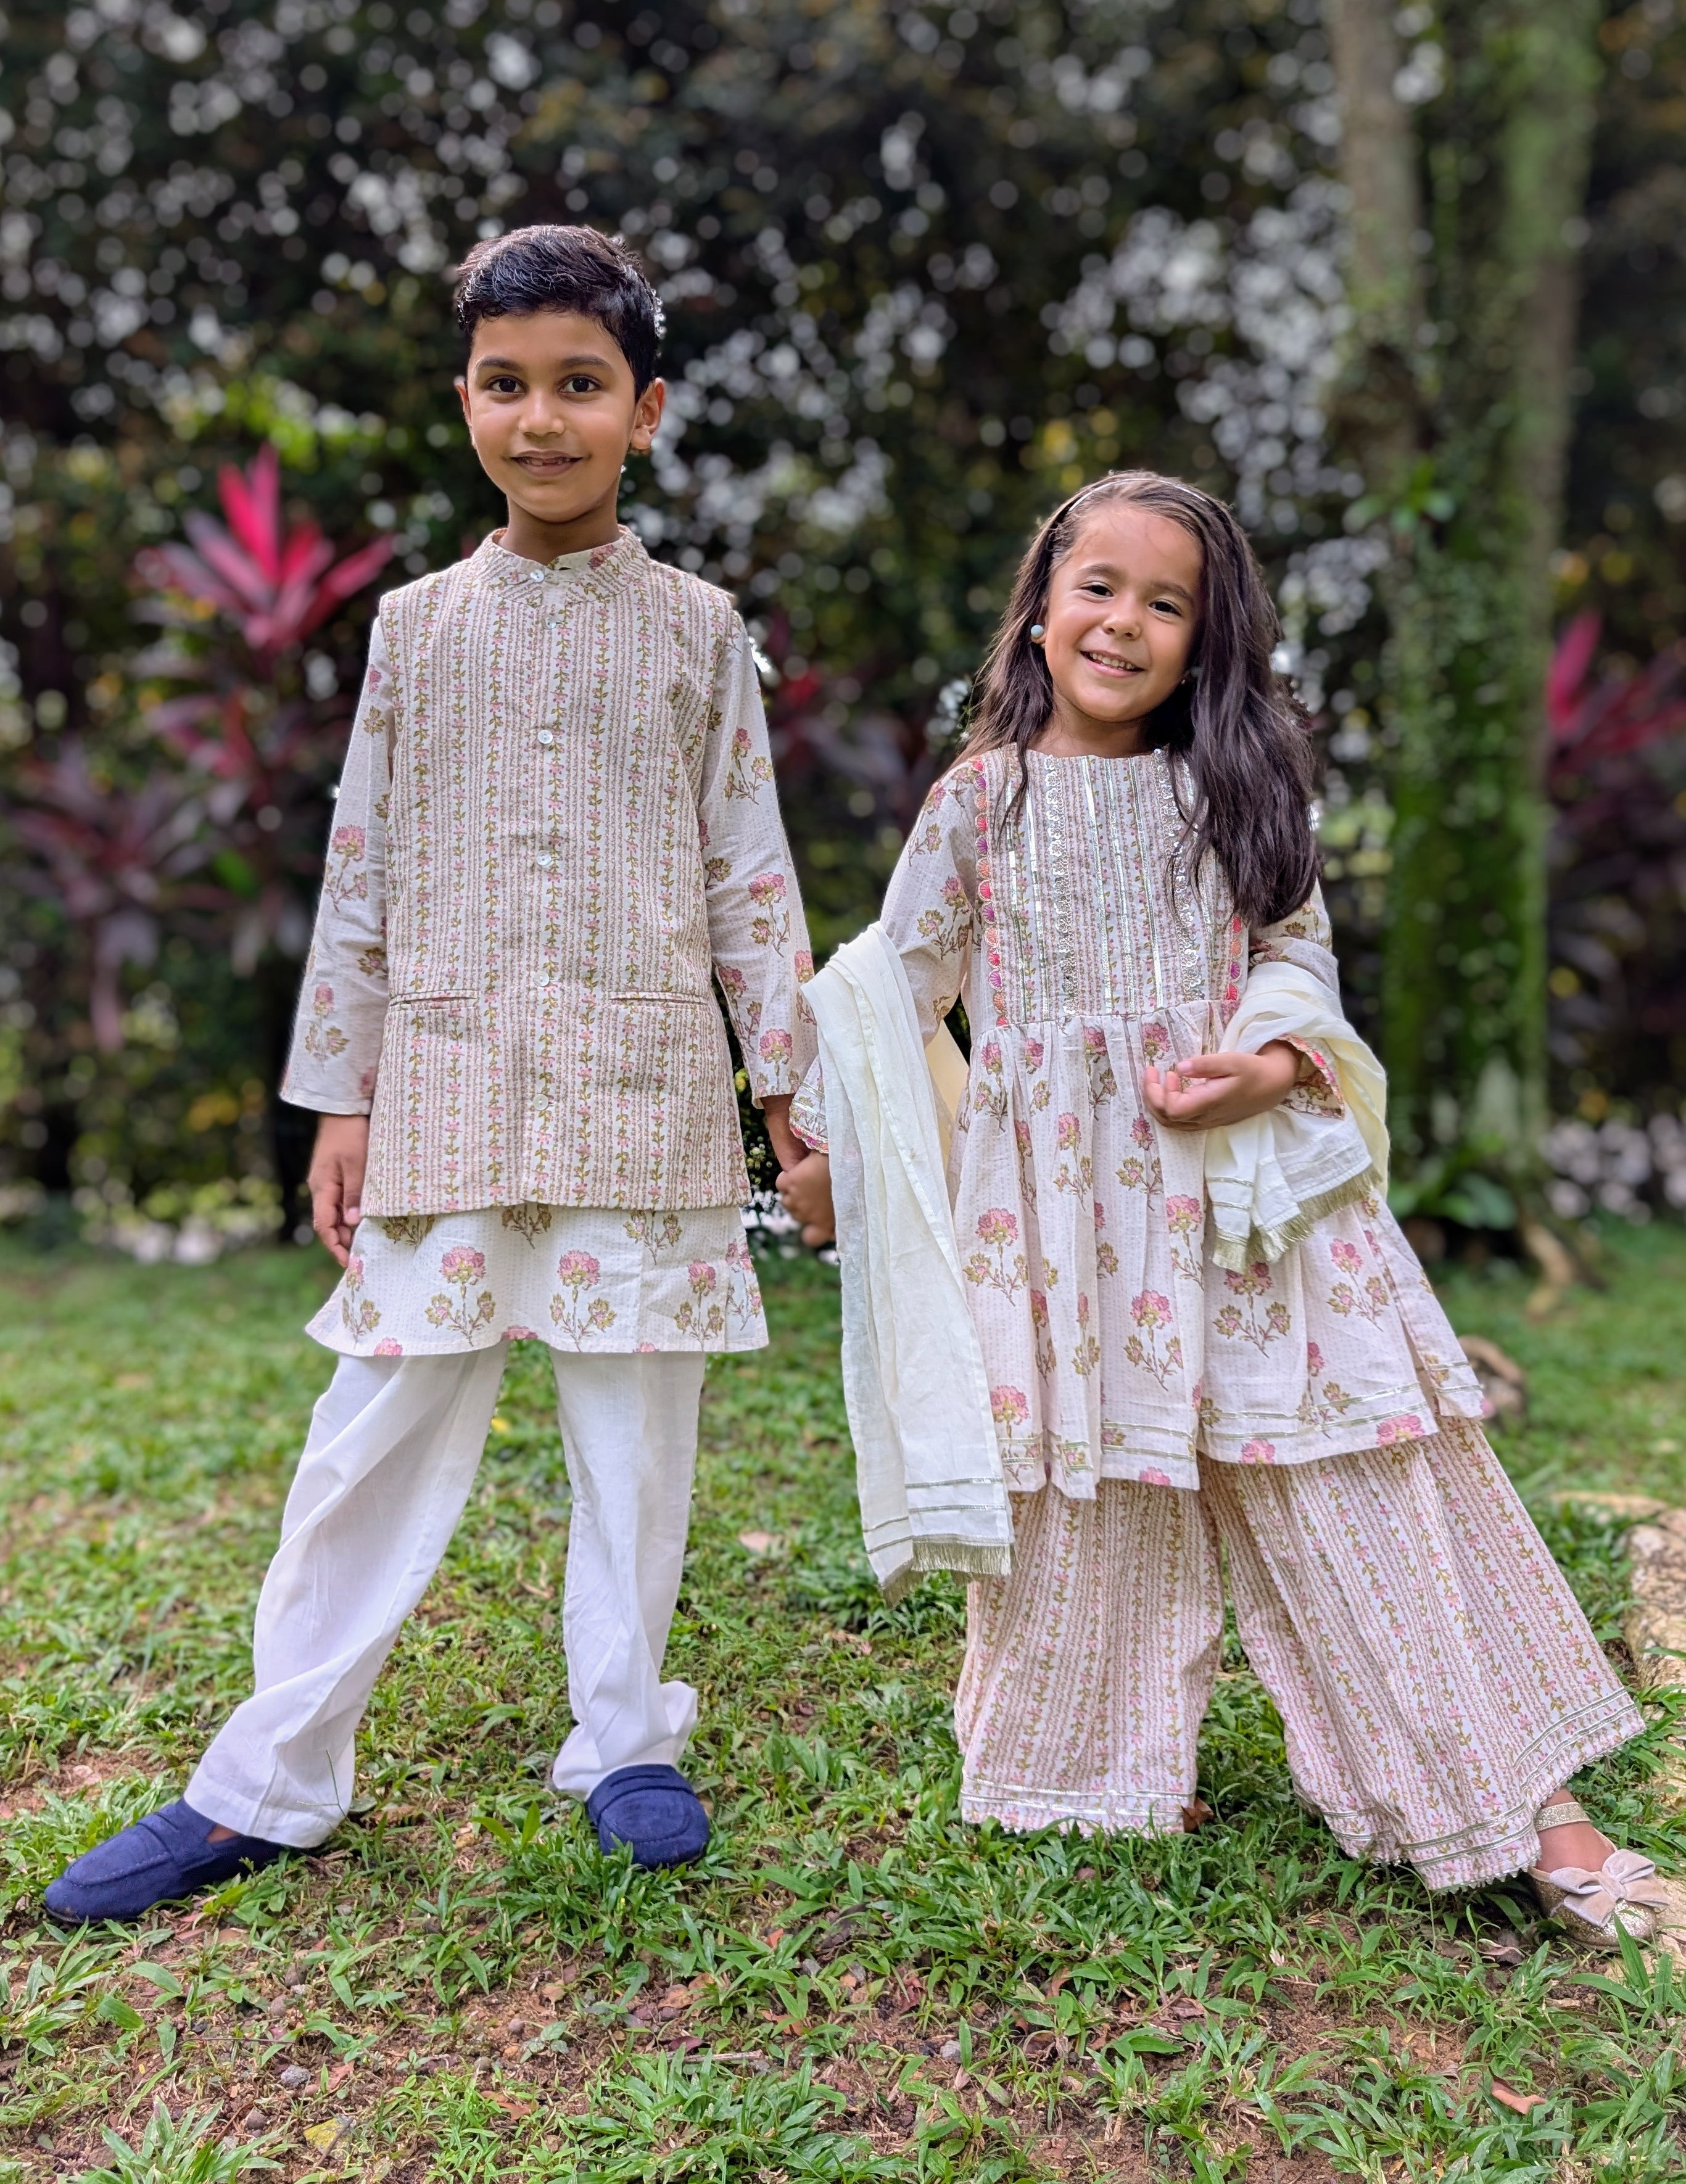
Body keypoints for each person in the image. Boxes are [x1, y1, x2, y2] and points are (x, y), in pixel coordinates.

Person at [777, 469, 1661, 1948]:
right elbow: (890, 981)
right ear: (1040, 609)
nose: (1121, 623)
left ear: (1206, 639)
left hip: (1243, 1204)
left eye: (1164, 603)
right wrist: (811, 1134)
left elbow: (1296, 953)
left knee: (1350, 1472)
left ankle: (1521, 1800)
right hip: (1061, 1222)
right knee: (1086, 1486)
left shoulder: (1231, 791)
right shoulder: (979, 803)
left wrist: (1265, 1061)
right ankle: (1083, 1776)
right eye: (1096, 588)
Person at [48, 225, 814, 1921]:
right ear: (464, 400)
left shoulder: (698, 634)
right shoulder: (413, 630)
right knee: (368, 1438)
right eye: (504, 384)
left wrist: (790, 1098)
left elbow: (745, 872)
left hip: (638, 1092)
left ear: (645, 411)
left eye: (579, 385)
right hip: (447, 1089)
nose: (540, 419)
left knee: (636, 1442)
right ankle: (268, 1779)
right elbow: (364, 869)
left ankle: (624, 1741)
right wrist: (342, 1099)